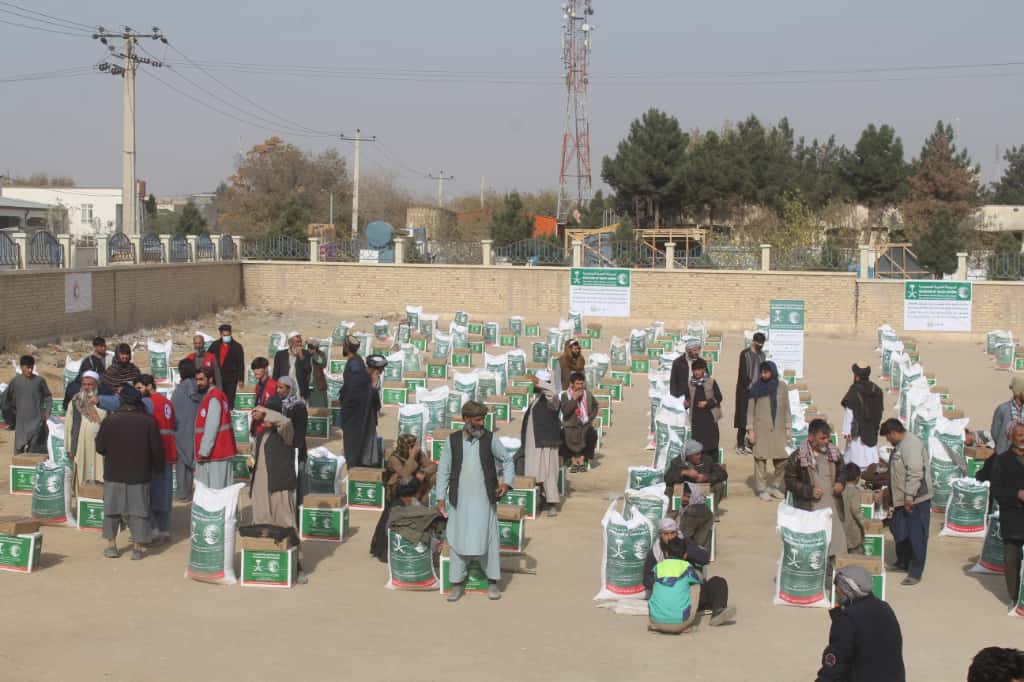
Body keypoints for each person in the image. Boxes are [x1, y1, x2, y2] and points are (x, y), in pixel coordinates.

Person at [435, 401, 515, 602]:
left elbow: (507, 460)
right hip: (459, 501)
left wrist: (506, 483)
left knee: (488, 538)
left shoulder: (489, 439)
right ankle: (456, 583)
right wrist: (440, 497)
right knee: (457, 539)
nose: (481, 424)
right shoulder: (452, 441)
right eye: (477, 420)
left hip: (484, 500)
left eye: (483, 419)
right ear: (466, 420)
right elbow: (443, 470)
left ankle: (493, 582)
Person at [95, 385, 163, 560]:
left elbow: (100, 447)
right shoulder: (148, 421)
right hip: (140, 474)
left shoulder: (110, 421)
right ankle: (137, 548)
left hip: (114, 473)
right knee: (139, 511)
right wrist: (158, 468)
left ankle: (111, 546)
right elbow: (156, 450)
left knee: (112, 510)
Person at [247, 399, 307, 584]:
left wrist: (267, 413)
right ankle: (267, 566)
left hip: (279, 486)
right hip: (261, 488)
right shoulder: (261, 434)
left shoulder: (285, 432)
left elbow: (286, 422)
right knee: (262, 524)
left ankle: (296, 566)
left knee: (286, 524)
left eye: (265, 415)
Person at [815, 565, 905, 682]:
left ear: (846, 589)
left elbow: (836, 663)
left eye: (837, 586)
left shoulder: (847, 618)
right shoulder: (884, 608)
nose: (836, 590)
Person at [642, 517, 736, 627]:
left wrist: (686, 551)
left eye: (673, 533)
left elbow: (704, 558)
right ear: (660, 535)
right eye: (666, 534)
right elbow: (647, 578)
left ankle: (718, 612)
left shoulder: (684, 543)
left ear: (677, 532)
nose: (670, 537)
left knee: (718, 582)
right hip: (670, 591)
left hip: (687, 588)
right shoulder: (655, 552)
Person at [785, 419, 848, 561]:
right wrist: (809, 490)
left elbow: (843, 471)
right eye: (822, 438)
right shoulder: (797, 457)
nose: (826, 441)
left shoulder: (834, 452)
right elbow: (790, 482)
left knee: (834, 548)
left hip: (832, 507)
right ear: (811, 438)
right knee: (814, 552)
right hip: (810, 510)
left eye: (827, 438)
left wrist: (840, 482)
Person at [880, 418, 932, 586]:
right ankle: (903, 561)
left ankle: (915, 572)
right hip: (902, 499)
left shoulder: (911, 445)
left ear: (894, 433)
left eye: (888, 437)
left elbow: (915, 472)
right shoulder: (900, 446)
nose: (888, 441)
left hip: (916, 499)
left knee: (917, 536)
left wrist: (909, 496)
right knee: (899, 529)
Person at [135, 375, 176, 542]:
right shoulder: (167, 403)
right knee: (165, 491)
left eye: (139, 388)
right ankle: (165, 529)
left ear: (149, 386)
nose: (138, 392)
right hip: (169, 452)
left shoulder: (147, 403)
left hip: (154, 452)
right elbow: (176, 425)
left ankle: (154, 528)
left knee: (150, 492)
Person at [747, 361, 791, 501]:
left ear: (772, 371)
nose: (763, 374)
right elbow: (750, 412)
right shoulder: (755, 388)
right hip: (761, 430)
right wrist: (750, 430)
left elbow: (787, 409)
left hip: (778, 430)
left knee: (783, 459)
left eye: (766, 372)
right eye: (761, 372)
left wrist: (788, 428)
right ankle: (761, 489)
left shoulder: (782, 386)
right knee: (760, 460)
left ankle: (775, 486)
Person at [991, 422, 1024, 605]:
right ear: (1011, 437)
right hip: (1012, 520)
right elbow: (996, 490)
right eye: (1019, 434)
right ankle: (1014, 597)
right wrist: (1016, 494)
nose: (1022, 438)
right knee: (1011, 561)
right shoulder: (1002, 460)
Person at [521, 369, 562, 516]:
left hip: (546, 441)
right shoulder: (538, 398)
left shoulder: (552, 400)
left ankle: (552, 503)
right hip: (535, 441)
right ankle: (538, 500)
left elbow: (553, 391)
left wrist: (539, 381)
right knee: (534, 471)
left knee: (549, 472)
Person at [647, 537, 704, 634]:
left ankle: (658, 618)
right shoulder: (686, 567)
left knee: (657, 584)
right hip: (680, 624)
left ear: (666, 553)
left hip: (656, 622)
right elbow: (700, 580)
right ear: (685, 555)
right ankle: (686, 624)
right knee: (695, 584)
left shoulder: (658, 567)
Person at [193, 366, 237, 489]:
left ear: (211, 379)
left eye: (201, 379)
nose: (198, 383)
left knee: (216, 493)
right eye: (197, 380)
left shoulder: (213, 398)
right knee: (222, 491)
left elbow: (211, 427)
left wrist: (203, 451)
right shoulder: (218, 395)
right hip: (219, 452)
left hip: (215, 454)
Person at [339, 353, 386, 468]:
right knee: (354, 450)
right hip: (355, 422)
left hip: (367, 420)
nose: (381, 373)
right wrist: (372, 387)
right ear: (374, 369)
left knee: (366, 449)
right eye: (380, 370)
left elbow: (375, 404)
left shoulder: (370, 378)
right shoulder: (358, 379)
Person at [1, 355, 51, 454]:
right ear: (21, 367)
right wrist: (10, 415)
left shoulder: (39, 381)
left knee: (34, 449)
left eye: (31, 367)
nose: (30, 370)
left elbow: (48, 397)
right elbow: (5, 399)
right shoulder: (15, 381)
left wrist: (47, 411)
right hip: (21, 422)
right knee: (18, 449)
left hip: (36, 421)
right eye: (27, 367)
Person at [665, 438, 727, 516]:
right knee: (669, 488)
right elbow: (667, 478)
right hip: (685, 492)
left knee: (718, 485)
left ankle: (712, 512)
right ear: (688, 456)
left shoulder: (707, 460)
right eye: (697, 454)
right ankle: (672, 513)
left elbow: (722, 474)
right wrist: (683, 472)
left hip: (703, 490)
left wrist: (706, 477)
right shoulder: (677, 462)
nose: (700, 456)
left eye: (700, 453)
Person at [65, 370, 107, 487]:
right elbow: (69, 424)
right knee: (82, 471)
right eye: (84, 384)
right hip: (80, 443)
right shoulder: (76, 400)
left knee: (98, 470)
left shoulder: (103, 400)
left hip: (98, 444)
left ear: (96, 385)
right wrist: (69, 447)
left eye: (90, 384)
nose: (87, 387)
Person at [841, 362, 884, 469]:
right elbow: (880, 410)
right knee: (870, 456)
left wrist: (847, 431)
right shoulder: (876, 389)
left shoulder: (854, 390)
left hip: (857, 431)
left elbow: (849, 411)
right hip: (871, 429)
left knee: (856, 456)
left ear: (856, 376)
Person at [171, 359, 201, 501]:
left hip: (180, 434)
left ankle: (183, 493)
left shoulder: (177, 392)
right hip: (198, 435)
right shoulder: (201, 390)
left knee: (182, 464)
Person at [559, 371, 599, 473]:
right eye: (577, 384)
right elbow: (565, 411)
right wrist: (574, 399)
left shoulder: (588, 395)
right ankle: (573, 460)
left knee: (592, 435)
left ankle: (581, 460)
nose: (580, 386)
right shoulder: (565, 395)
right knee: (561, 436)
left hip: (584, 424)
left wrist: (590, 418)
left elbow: (595, 406)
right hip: (570, 426)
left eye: (582, 383)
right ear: (572, 384)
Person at [734, 332, 766, 455]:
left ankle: (751, 443)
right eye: (758, 344)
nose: (760, 347)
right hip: (744, 391)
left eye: (761, 345)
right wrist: (750, 387)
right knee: (743, 418)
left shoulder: (762, 355)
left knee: (754, 418)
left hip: (758, 392)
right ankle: (740, 444)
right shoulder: (745, 354)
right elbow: (743, 374)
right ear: (753, 342)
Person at [684, 357, 723, 459]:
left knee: (711, 444)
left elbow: (719, 397)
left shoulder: (711, 382)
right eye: (694, 370)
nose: (696, 372)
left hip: (709, 419)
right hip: (697, 420)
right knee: (698, 446)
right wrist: (687, 403)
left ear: (703, 370)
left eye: (699, 369)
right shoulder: (690, 384)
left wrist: (707, 403)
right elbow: (687, 397)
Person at [386, 433, 437, 504]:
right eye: (412, 446)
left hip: (414, 482)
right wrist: (412, 456)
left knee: (434, 476)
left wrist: (423, 472)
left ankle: (422, 502)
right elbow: (404, 475)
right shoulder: (394, 458)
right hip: (400, 487)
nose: (416, 448)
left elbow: (433, 466)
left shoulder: (418, 453)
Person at [206, 323, 245, 410]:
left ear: (231, 334)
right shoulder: (215, 345)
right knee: (217, 399)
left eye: (228, 335)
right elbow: (208, 359)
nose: (226, 336)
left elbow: (241, 364)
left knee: (229, 400)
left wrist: (241, 379)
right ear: (220, 334)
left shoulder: (237, 347)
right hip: (217, 377)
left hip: (231, 378)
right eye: (224, 335)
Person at [273, 331, 312, 399]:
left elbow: (308, 370)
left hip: (298, 387)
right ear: (290, 343)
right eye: (297, 342)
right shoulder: (280, 355)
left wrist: (301, 356)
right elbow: (276, 373)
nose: (299, 344)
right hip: (285, 387)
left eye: (300, 342)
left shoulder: (305, 354)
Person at [839, 463, 867, 554]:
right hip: (852, 530)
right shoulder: (855, 492)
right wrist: (864, 523)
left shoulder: (839, 490)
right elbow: (856, 509)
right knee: (856, 556)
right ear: (857, 478)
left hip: (840, 529)